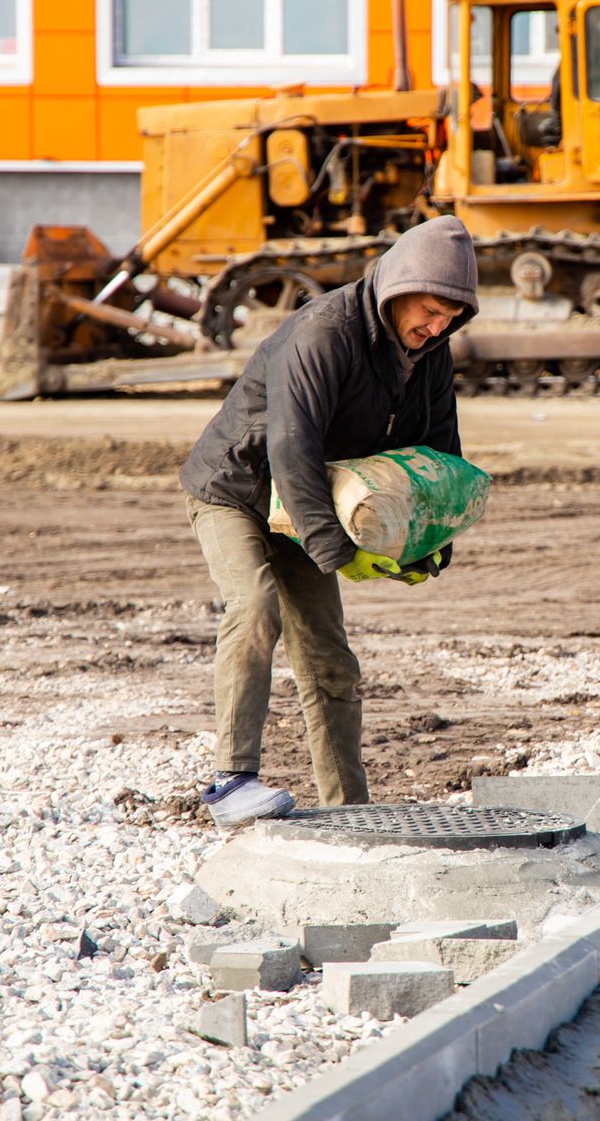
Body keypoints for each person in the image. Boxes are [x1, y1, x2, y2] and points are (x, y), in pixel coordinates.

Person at [178, 216, 479, 828]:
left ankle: (350, 812)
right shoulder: (324, 332)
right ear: (397, 290)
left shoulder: (428, 350)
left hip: (306, 497)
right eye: (428, 312)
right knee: (255, 605)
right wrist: (337, 551)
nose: (435, 327)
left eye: (449, 318)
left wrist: (431, 537)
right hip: (237, 489)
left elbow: (438, 451)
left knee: (328, 656)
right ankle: (232, 782)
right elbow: (292, 447)